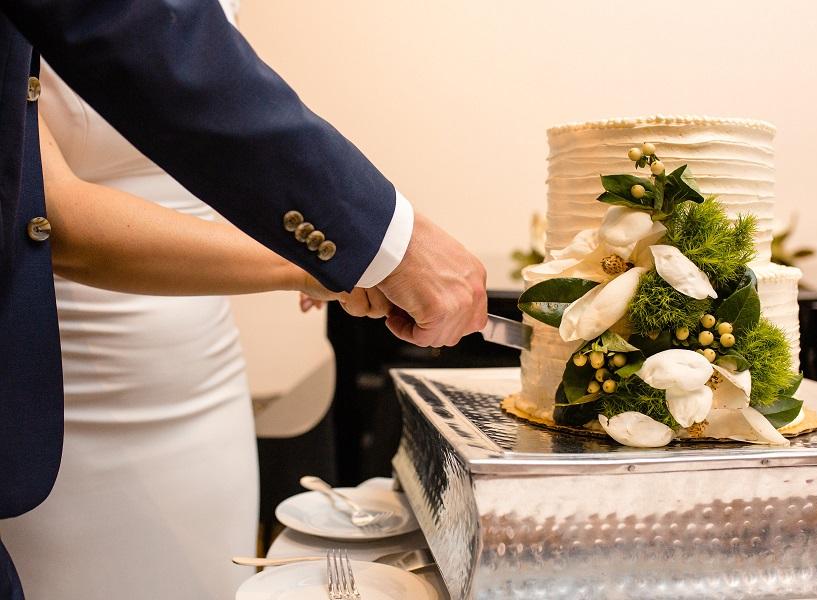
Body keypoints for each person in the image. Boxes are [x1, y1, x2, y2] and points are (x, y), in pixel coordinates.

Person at [0, 1, 487, 598]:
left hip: (207, 380)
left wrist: (332, 255)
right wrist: (343, 256)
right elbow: (54, 216)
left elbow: (217, 110)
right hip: (65, 390)